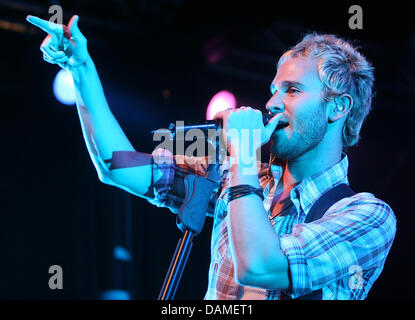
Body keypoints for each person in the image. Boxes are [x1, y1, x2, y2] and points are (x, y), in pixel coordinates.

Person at [27, 14, 396, 300]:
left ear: (338, 108)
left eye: (293, 90)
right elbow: (117, 165)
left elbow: (261, 265)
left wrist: (243, 160)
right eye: (273, 90)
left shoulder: (366, 217)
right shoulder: (234, 173)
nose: (271, 102)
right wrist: (81, 72)